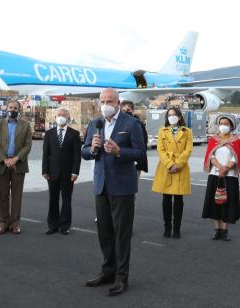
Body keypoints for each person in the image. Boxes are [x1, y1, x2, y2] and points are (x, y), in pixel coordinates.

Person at [81, 88, 144, 296]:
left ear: (118, 103)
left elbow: (141, 154)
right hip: (101, 185)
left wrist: (120, 151)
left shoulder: (131, 124)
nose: (106, 104)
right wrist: (92, 149)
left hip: (122, 187)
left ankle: (121, 277)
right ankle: (107, 270)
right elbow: (84, 151)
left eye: (110, 100)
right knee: (104, 233)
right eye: (103, 101)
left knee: (121, 234)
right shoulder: (95, 123)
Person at [0, 101, 32, 235]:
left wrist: (15, 159)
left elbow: (27, 145)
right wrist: (5, 159)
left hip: (18, 164)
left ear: (19, 110)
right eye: (10, 107)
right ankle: (3, 223)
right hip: (2, 163)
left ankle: (15, 224)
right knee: (2, 195)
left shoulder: (25, 125)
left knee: (17, 195)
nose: (12, 110)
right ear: (6, 109)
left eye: (15, 108)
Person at [152, 107, 193, 239]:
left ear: (180, 117)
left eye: (174, 114)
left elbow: (188, 150)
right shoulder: (162, 131)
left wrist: (178, 164)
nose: (172, 117)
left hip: (181, 167)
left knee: (179, 199)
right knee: (166, 199)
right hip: (166, 167)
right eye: (169, 115)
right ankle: (167, 227)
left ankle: (176, 228)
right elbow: (160, 149)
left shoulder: (187, 132)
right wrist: (170, 164)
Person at [202, 114, 240, 241]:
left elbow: (235, 157)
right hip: (215, 174)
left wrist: (226, 168)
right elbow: (211, 156)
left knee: (227, 202)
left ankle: (225, 230)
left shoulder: (236, 140)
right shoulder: (213, 139)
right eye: (221, 123)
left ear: (231, 126)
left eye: (226, 124)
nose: (223, 126)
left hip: (230, 176)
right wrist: (220, 167)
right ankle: (217, 229)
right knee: (215, 202)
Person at [42, 107, 81, 235]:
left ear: (68, 118)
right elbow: (45, 154)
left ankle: (65, 225)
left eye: (64, 115)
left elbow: (77, 155)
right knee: (52, 199)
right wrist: (45, 170)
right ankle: (52, 225)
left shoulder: (74, 134)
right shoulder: (49, 134)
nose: (61, 116)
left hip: (68, 173)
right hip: (52, 173)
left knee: (66, 199)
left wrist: (75, 172)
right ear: (55, 118)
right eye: (59, 114)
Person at [120, 100, 148, 177]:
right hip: (122, 160)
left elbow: (143, 143)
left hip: (135, 162)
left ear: (132, 111)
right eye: (124, 110)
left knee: (132, 186)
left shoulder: (138, 124)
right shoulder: (119, 124)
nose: (126, 112)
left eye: (128, 110)